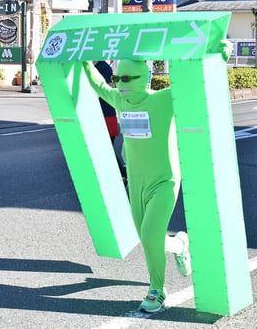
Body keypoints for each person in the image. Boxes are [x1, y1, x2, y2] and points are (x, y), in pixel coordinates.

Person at [82, 59, 191, 313]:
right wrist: (84, 62)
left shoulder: (163, 100)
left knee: (151, 235)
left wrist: (217, 55)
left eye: (127, 79)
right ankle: (180, 245)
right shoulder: (120, 101)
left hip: (165, 180)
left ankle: (157, 290)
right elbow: (99, 84)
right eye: (118, 79)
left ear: (143, 78)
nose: (120, 84)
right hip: (136, 182)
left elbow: (195, 84)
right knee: (147, 237)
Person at [94, 61, 127, 181]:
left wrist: (96, 94)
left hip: (107, 115)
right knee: (104, 149)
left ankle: (121, 174)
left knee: (107, 149)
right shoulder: (94, 67)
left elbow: (111, 87)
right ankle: (118, 174)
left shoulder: (103, 67)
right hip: (98, 115)